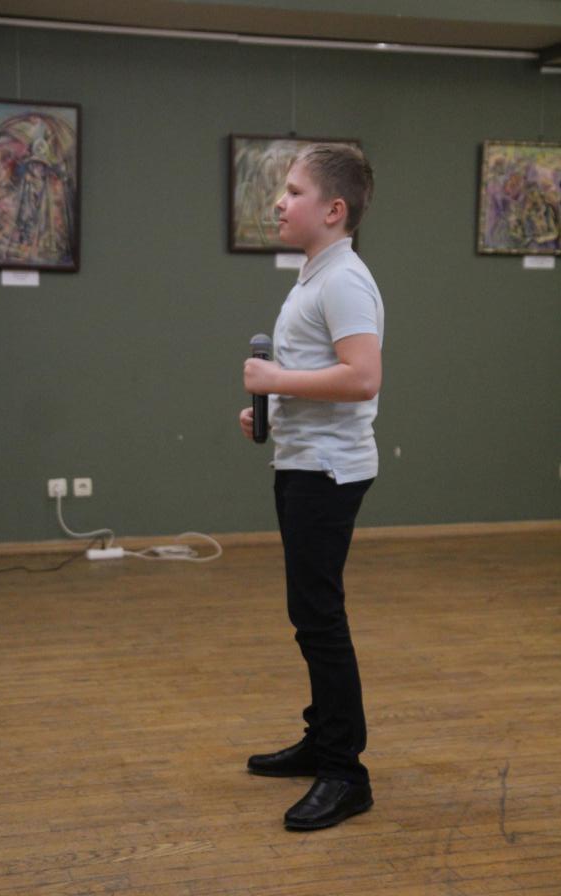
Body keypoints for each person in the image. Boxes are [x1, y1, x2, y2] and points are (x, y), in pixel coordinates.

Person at [239, 143, 384, 831]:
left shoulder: (344, 281)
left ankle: (345, 772)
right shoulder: (314, 277)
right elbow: (321, 371)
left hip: (327, 471)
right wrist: (271, 406)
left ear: (333, 209)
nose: (279, 201)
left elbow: (363, 377)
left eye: (294, 191)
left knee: (320, 619)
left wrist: (275, 381)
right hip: (303, 462)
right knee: (310, 615)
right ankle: (322, 739)